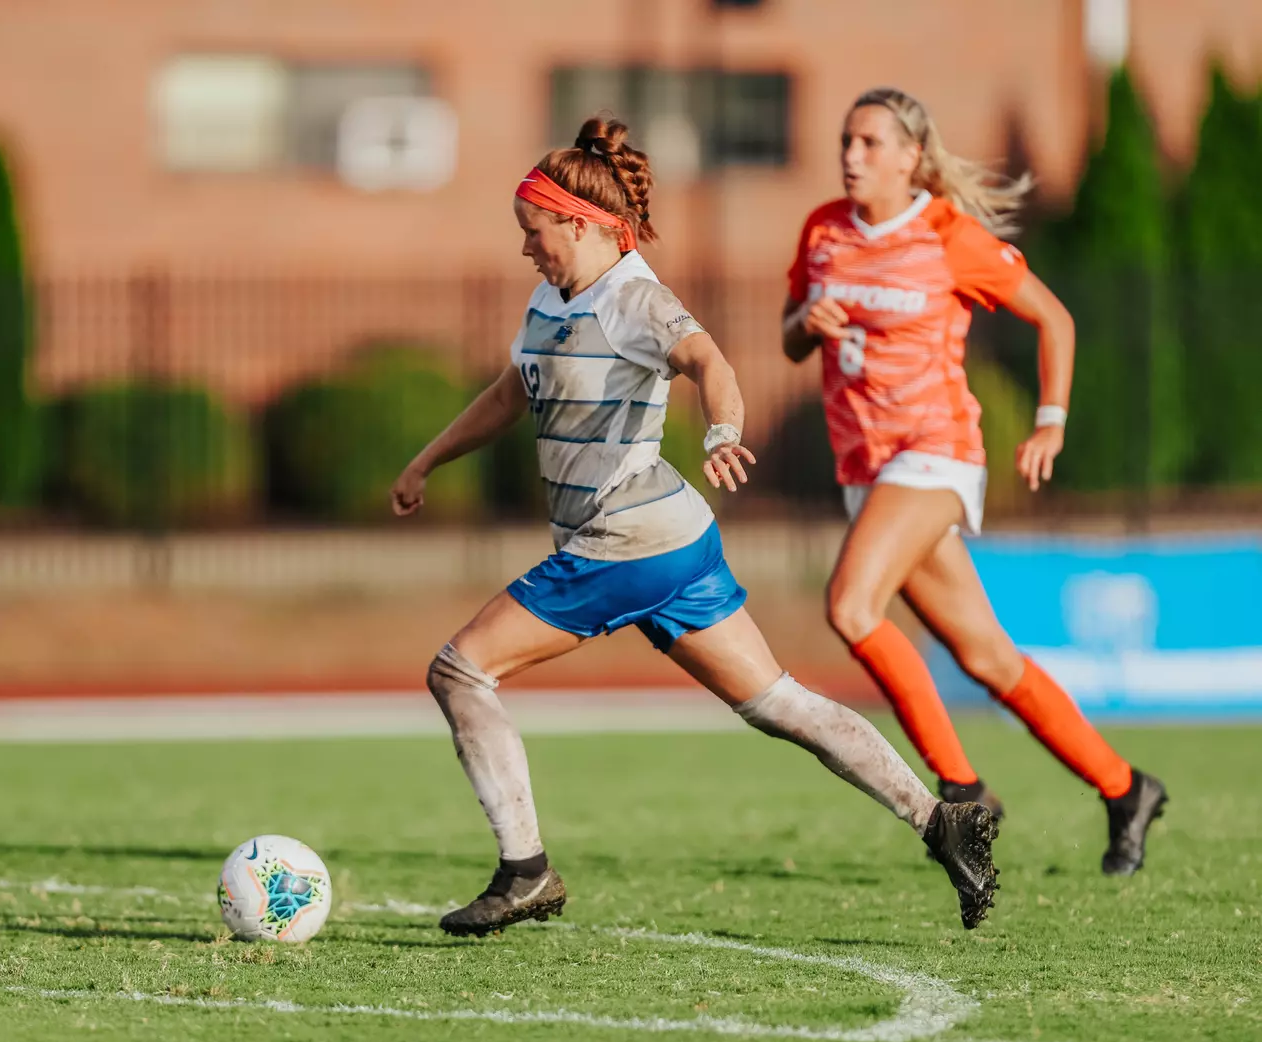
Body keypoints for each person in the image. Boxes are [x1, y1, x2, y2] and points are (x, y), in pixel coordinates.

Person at [391, 117, 999, 937]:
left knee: (460, 673)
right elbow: (510, 393)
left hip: (624, 542)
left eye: (536, 233)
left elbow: (710, 362)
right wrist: (427, 459)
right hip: (673, 545)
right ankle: (938, 821)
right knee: (777, 701)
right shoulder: (551, 298)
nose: (527, 250)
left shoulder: (637, 297)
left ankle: (525, 871)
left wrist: (720, 429)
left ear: (581, 223)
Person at [780, 87, 1167, 876]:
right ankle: (1126, 789)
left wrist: (1051, 419)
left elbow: (1054, 317)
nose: (851, 156)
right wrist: (804, 323)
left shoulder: (946, 235)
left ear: (911, 156)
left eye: (870, 143)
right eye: (846, 141)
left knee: (851, 607)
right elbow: (791, 337)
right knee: (987, 658)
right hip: (867, 468)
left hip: (935, 452)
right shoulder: (822, 229)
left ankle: (961, 791)